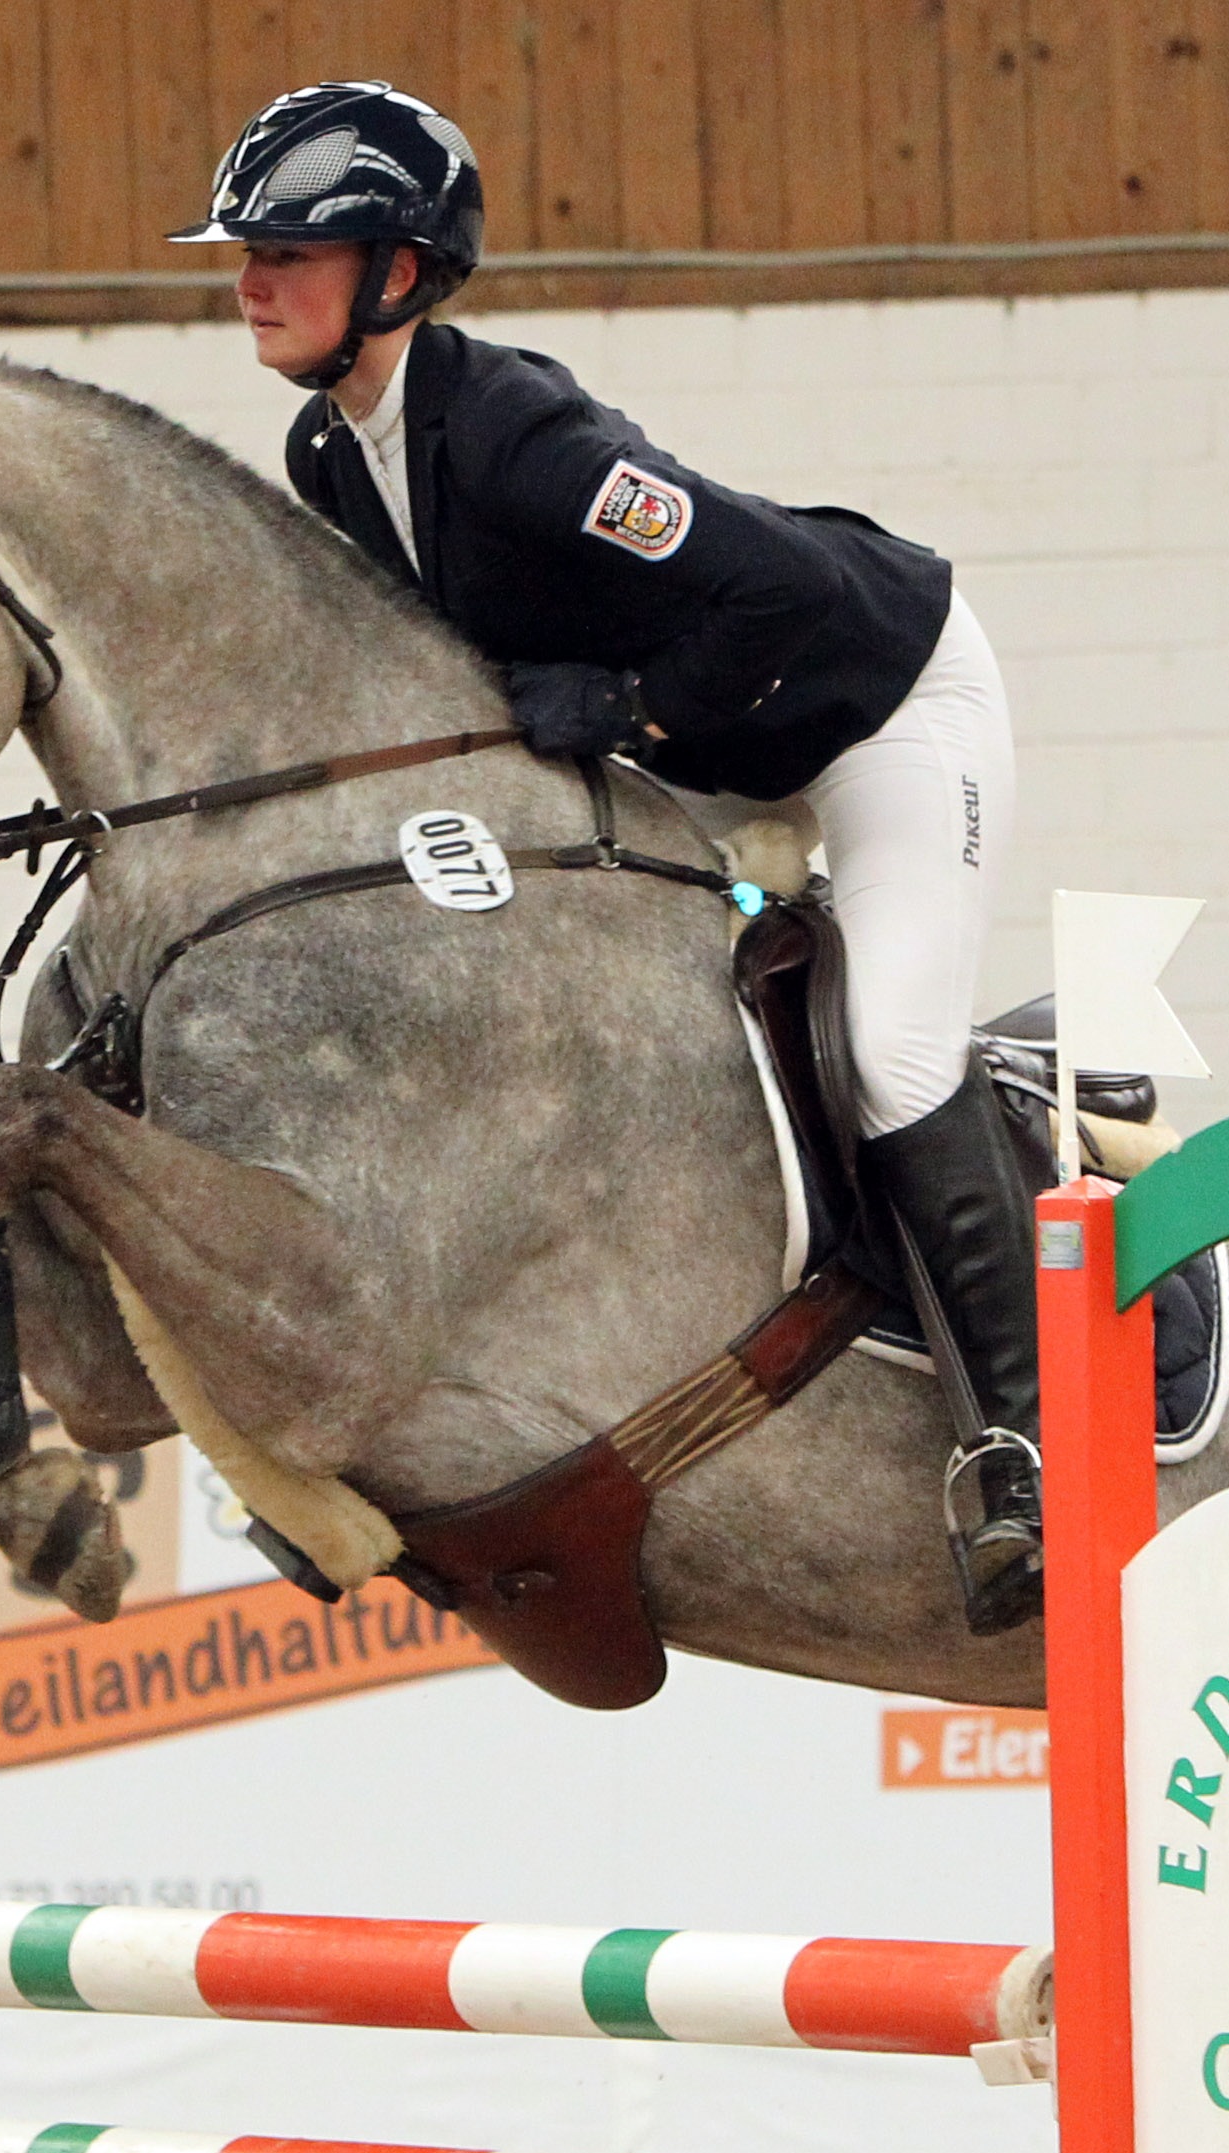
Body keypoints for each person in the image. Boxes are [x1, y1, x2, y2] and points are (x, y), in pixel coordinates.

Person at [171, 81, 1042, 1607]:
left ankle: (1020, 1437)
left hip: (876, 706)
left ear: (396, 273)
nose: (249, 282)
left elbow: (778, 592)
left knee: (895, 1053)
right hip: (703, 761)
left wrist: (636, 709)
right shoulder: (330, 463)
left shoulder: (519, 436)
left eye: (290, 254)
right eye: (247, 252)